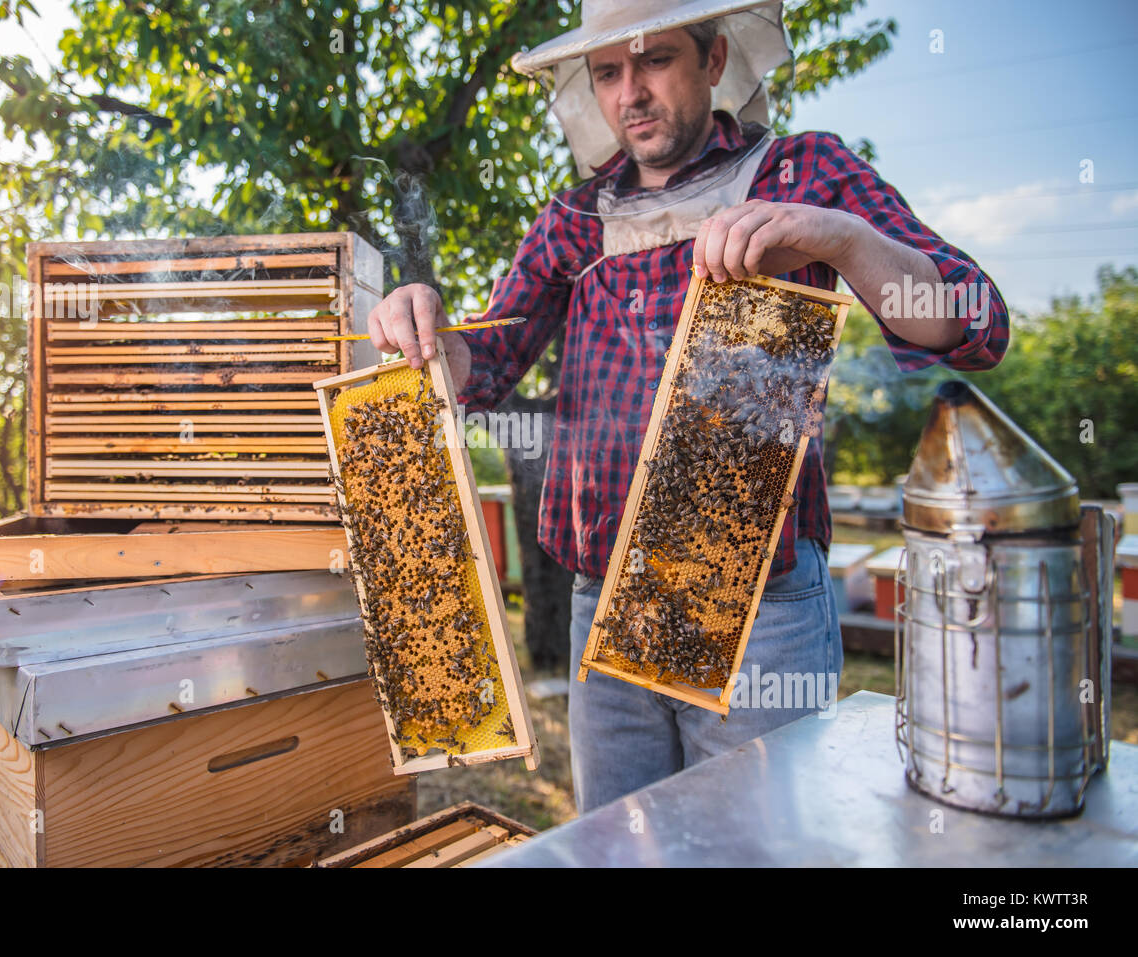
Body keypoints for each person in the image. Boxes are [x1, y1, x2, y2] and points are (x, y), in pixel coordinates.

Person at [365, 0, 1009, 813]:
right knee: (614, 849)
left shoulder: (804, 173)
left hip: (760, 612)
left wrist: (841, 239)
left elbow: (975, 320)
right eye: (608, 72)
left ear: (713, 61)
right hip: (601, 604)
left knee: (757, 852)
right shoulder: (572, 220)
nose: (630, 92)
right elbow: (478, 362)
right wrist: (419, 324)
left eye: (655, 60)